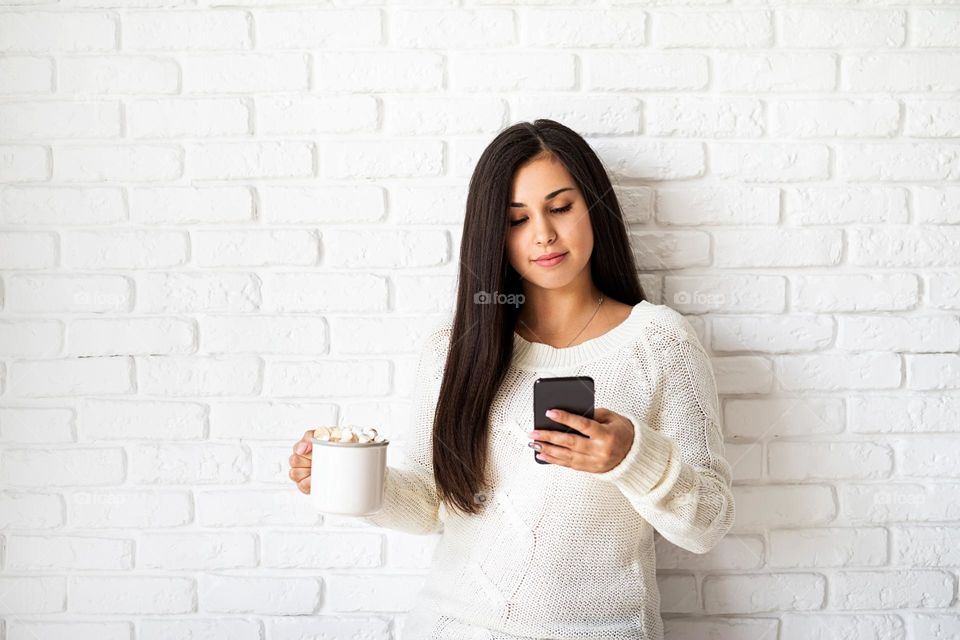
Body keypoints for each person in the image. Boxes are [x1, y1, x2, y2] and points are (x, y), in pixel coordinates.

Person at [289, 119, 735, 639]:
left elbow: (708, 523)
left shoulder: (659, 342)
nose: (543, 233)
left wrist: (632, 458)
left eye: (561, 207)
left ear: (594, 207)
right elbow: (428, 503)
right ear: (493, 234)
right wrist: (349, 478)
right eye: (517, 219)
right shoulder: (455, 346)